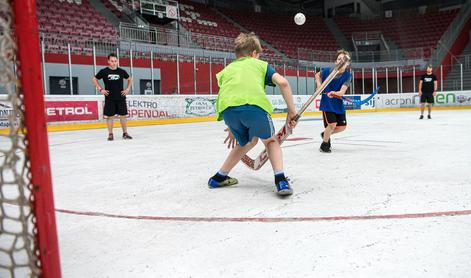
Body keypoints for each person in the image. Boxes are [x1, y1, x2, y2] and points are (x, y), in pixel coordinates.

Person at [208, 32, 297, 196]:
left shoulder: (227, 69)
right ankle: (281, 180)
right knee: (271, 141)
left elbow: (228, 95)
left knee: (248, 142)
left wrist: (231, 127)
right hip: (254, 107)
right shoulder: (260, 65)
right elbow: (283, 83)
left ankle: (219, 177)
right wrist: (291, 111)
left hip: (228, 111)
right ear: (254, 53)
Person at [316, 49, 352, 153]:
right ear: (336, 62)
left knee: (342, 127)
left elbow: (341, 92)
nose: (341, 61)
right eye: (339, 59)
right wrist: (319, 86)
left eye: (344, 60)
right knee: (332, 124)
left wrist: (334, 93)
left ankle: (325, 134)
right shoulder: (327, 70)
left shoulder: (347, 76)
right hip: (327, 103)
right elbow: (317, 75)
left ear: (348, 63)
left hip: (338, 103)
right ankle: (325, 145)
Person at [92, 53, 133, 141]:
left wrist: (127, 89)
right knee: (110, 117)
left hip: (121, 97)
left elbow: (130, 79)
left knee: (123, 116)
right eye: (112, 61)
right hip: (109, 98)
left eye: (115, 61)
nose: (114, 63)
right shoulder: (104, 71)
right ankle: (110, 134)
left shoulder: (121, 71)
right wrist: (100, 89)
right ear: (108, 61)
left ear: (117, 61)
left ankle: (125, 133)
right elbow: (94, 79)